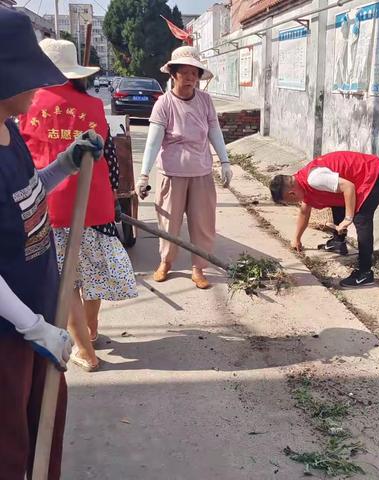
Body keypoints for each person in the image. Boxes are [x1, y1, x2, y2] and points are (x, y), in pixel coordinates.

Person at [0, 8, 104, 479]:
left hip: (40, 317)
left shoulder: (11, 132)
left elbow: (28, 194)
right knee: (9, 448)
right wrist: (32, 328)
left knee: (44, 432)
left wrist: (64, 164)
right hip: (10, 334)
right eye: (29, 78)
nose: (38, 90)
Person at [19, 38, 138, 372]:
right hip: (93, 204)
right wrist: (113, 197)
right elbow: (110, 160)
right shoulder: (94, 106)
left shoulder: (25, 105)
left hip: (50, 205)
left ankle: (84, 349)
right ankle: (91, 331)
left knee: (65, 279)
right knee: (92, 272)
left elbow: (23, 163)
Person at [135, 46, 233, 289]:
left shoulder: (205, 101)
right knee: (169, 222)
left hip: (201, 173)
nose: (190, 78)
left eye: (195, 73)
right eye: (185, 72)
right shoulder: (164, 104)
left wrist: (225, 161)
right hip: (172, 174)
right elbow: (153, 141)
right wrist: (144, 174)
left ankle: (198, 268)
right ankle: (166, 262)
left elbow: (214, 132)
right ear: (173, 74)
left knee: (203, 223)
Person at [269, 151, 379, 288]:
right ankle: (338, 242)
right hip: (358, 176)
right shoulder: (301, 182)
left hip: (374, 172)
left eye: (290, 201)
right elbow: (304, 212)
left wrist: (348, 218)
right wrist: (296, 239)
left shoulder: (314, 179)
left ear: (291, 194)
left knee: (362, 219)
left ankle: (365, 273)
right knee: (334, 198)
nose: (295, 202)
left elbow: (348, 187)